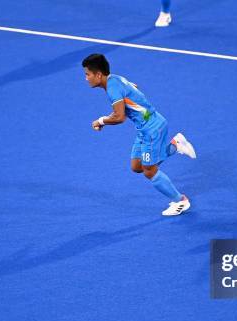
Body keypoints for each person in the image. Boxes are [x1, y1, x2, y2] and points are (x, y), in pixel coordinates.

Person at [82, 53, 196, 216]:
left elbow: (119, 117)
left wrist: (100, 121)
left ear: (98, 74)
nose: (86, 78)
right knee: (137, 167)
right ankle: (175, 145)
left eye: (87, 74)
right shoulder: (114, 78)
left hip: (151, 129)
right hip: (146, 126)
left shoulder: (112, 89)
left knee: (149, 170)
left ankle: (181, 201)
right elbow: (134, 87)